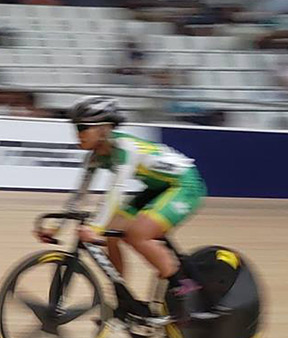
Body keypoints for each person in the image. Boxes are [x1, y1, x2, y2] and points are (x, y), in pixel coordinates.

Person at [35, 96, 209, 322]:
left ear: (104, 129)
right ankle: (124, 299)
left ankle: (185, 290)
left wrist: (95, 227)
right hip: (159, 187)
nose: (77, 133)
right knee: (112, 234)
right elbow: (80, 197)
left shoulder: (125, 148)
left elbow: (116, 190)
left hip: (185, 185)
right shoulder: (95, 157)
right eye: (75, 127)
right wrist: (56, 228)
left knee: (138, 235)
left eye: (82, 127)